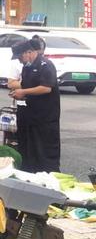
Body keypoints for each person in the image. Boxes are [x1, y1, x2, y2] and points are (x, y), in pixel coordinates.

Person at [8, 39, 61, 173]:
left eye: (20, 57)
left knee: (45, 150)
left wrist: (23, 92)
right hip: (30, 114)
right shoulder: (27, 66)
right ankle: (30, 174)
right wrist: (19, 94)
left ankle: (49, 176)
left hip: (45, 116)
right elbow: (26, 85)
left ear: (29, 52)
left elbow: (46, 88)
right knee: (29, 149)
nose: (20, 61)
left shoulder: (46, 65)